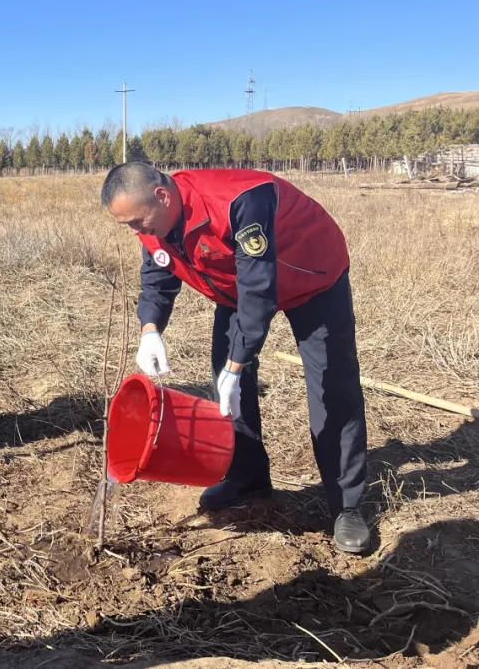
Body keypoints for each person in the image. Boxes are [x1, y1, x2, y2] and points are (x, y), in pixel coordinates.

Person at [100, 162, 370, 555]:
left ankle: (347, 506)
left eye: (138, 222)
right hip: (236, 289)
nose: (136, 232)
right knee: (229, 391)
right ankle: (248, 476)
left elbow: (258, 291)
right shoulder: (153, 223)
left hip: (312, 277)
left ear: (162, 196)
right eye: (128, 226)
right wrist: (150, 330)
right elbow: (157, 277)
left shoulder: (240, 200)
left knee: (332, 386)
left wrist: (237, 363)